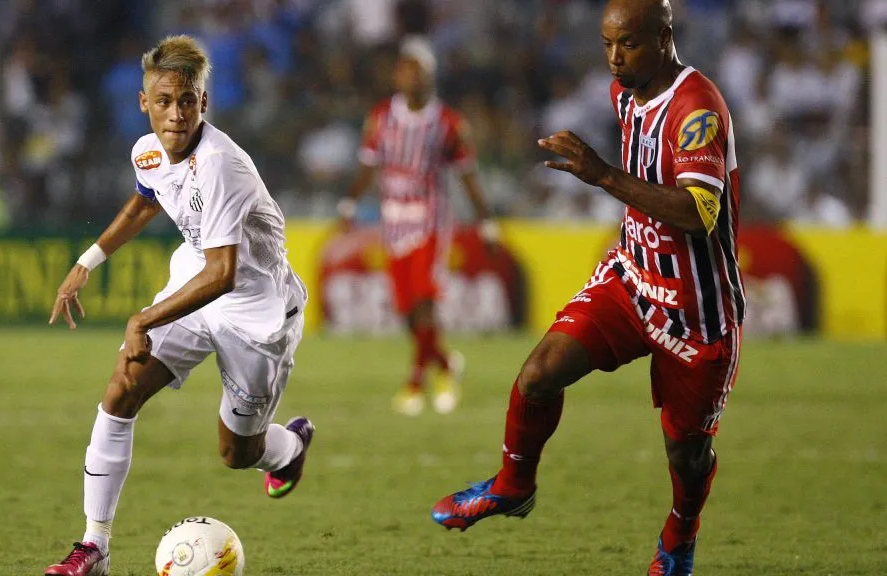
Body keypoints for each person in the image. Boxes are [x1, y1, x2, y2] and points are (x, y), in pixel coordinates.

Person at [430, 1, 745, 574]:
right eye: (606, 44)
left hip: (695, 309)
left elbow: (700, 211)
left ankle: (679, 536)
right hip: (632, 279)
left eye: (627, 44)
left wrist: (602, 176)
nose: (614, 58)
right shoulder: (625, 92)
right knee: (538, 374)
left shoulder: (698, 107)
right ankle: (512, 484)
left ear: (665, 37)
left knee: (688, 450)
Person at [43, 35, 312, 576]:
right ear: (145, 102)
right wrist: (87, 262)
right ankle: (94, 547)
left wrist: (142, 316)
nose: (175, 114)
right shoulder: (147, 148)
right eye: (164, 101)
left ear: (203, 103)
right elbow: (147, 200)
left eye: (187, 101)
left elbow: (224, 273)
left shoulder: (221, 166)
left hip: (255, 317)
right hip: (195, 284)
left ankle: (288, 449)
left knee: (237, 452)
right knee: (121, 388)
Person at [340, 36, 497, 416]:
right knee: (407, 309)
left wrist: (486, 220)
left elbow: (467, 176)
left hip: (430, 218)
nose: (411, 77)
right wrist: (349, 202)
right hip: (392, 219)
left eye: (418, 70)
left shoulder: (448, 123)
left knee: (425, 301)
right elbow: (368, 166)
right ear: (397, 75)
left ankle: (415, 383)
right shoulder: (379, 117)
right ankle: (444, 363)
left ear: (431, 76)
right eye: (405, 69)